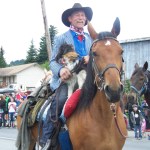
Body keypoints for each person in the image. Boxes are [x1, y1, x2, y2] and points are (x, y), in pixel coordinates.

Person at [40, 3, 93, 149]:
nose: (81, 18)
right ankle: (47, 138)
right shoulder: (61, 38)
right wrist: (60, 71)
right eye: (77, 15)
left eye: (83, 15)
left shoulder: (91, 39)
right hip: (67, 80)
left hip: (86, 79)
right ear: (70, 18)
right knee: (61, 100)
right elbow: (52, 61)